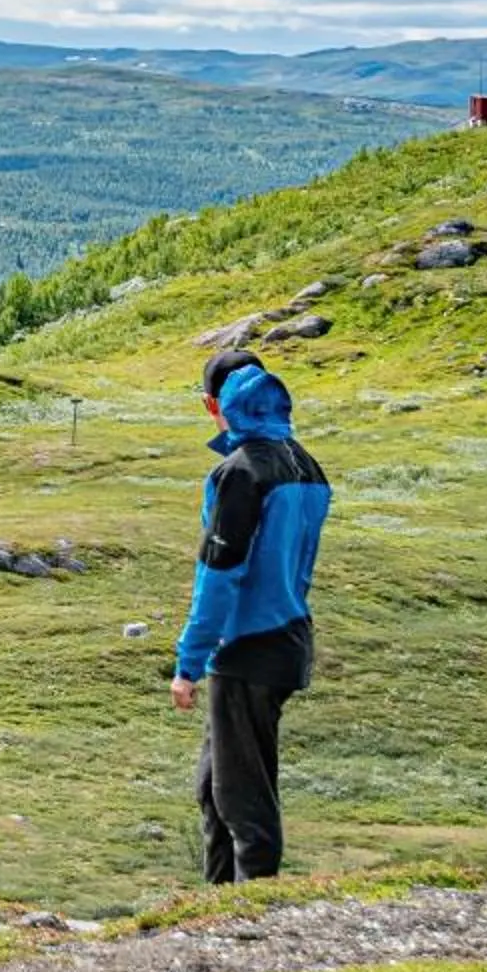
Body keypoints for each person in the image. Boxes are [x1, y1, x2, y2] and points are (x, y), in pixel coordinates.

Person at [168, 348, 330, 883]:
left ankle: (252, 912)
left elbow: (219, 575)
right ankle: (214, 907)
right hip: (286, 637)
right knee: (214, 789)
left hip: (248, 647)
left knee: (243, 802)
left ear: (212, 404)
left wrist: (188, 664)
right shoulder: (303, 463)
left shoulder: (240, 473)